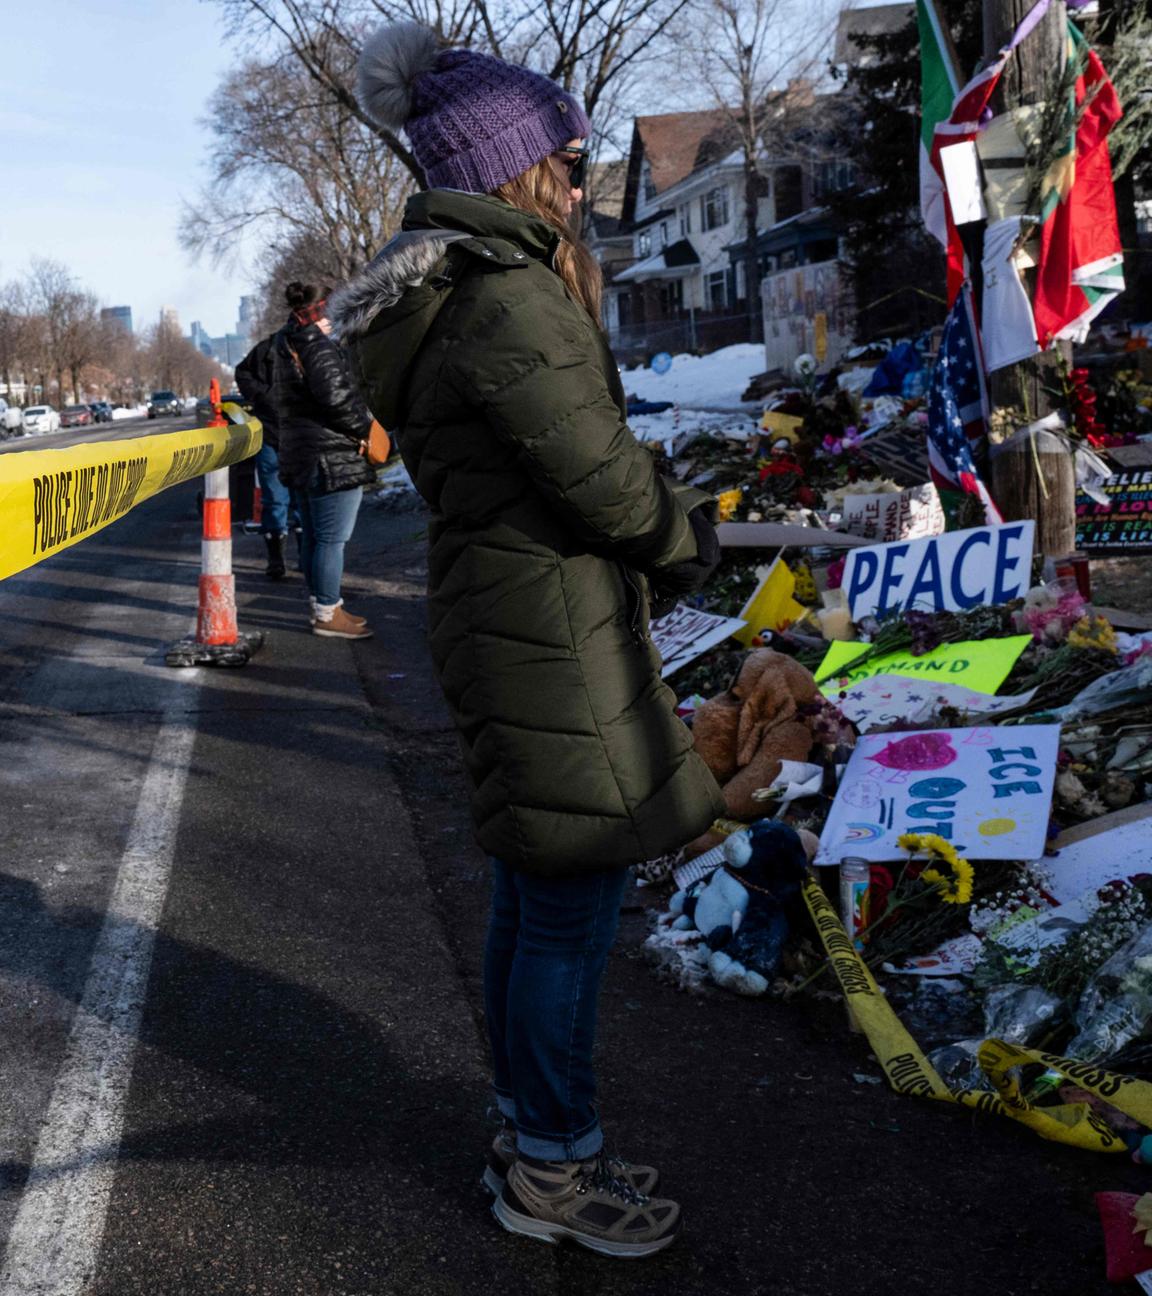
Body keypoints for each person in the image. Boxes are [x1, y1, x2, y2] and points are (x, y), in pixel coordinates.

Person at [331, 21, 725, 1258]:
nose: (575, 173)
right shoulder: (511, 301)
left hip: (500, 616)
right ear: (519, 170)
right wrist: (690, 538)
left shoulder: (442, 297)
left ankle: (530, 1129)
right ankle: (555, 1166)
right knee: (566, 907)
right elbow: (603, 483)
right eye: (562, 154)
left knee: (531, 890)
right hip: (550, 629)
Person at [273, 282, 375, 639]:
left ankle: (324, 605)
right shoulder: (316, 345)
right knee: (331, 539)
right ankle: (328, 614)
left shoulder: (287, 340)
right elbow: (337, 399)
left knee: (315, 537)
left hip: (303, 453)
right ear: (322, 312)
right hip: (330, 456)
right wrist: (367, 430)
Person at [235, 331, 299, 579]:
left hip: (303, 438)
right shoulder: (270, 347)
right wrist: (265, 397)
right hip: (272, 436)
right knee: (274, 500)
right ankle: (276, 560)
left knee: (303, 500)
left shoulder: (320, 345)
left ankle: (308, 559)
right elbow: (242, 373)